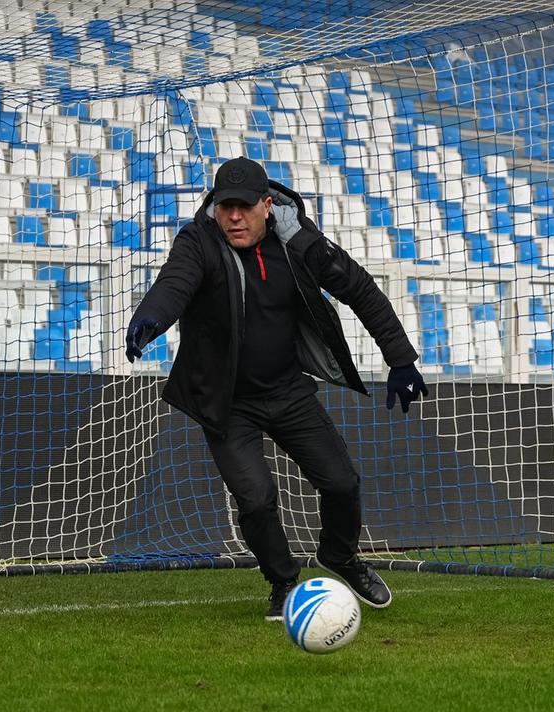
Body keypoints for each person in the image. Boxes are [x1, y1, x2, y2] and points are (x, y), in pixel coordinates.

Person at [124, 157, 429, 621]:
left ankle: (341, 557)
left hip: (289, 391)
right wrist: (149, 318)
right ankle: (284, 583)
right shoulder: (197, 241)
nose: (233, 217)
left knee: (342, 483)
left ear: (267, 205)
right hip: (227, 404)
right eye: (225, 206)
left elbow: (360, 288)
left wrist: (401, 359)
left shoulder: (300, 242)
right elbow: (175, 283)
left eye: (244, 207)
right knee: (257, 498)